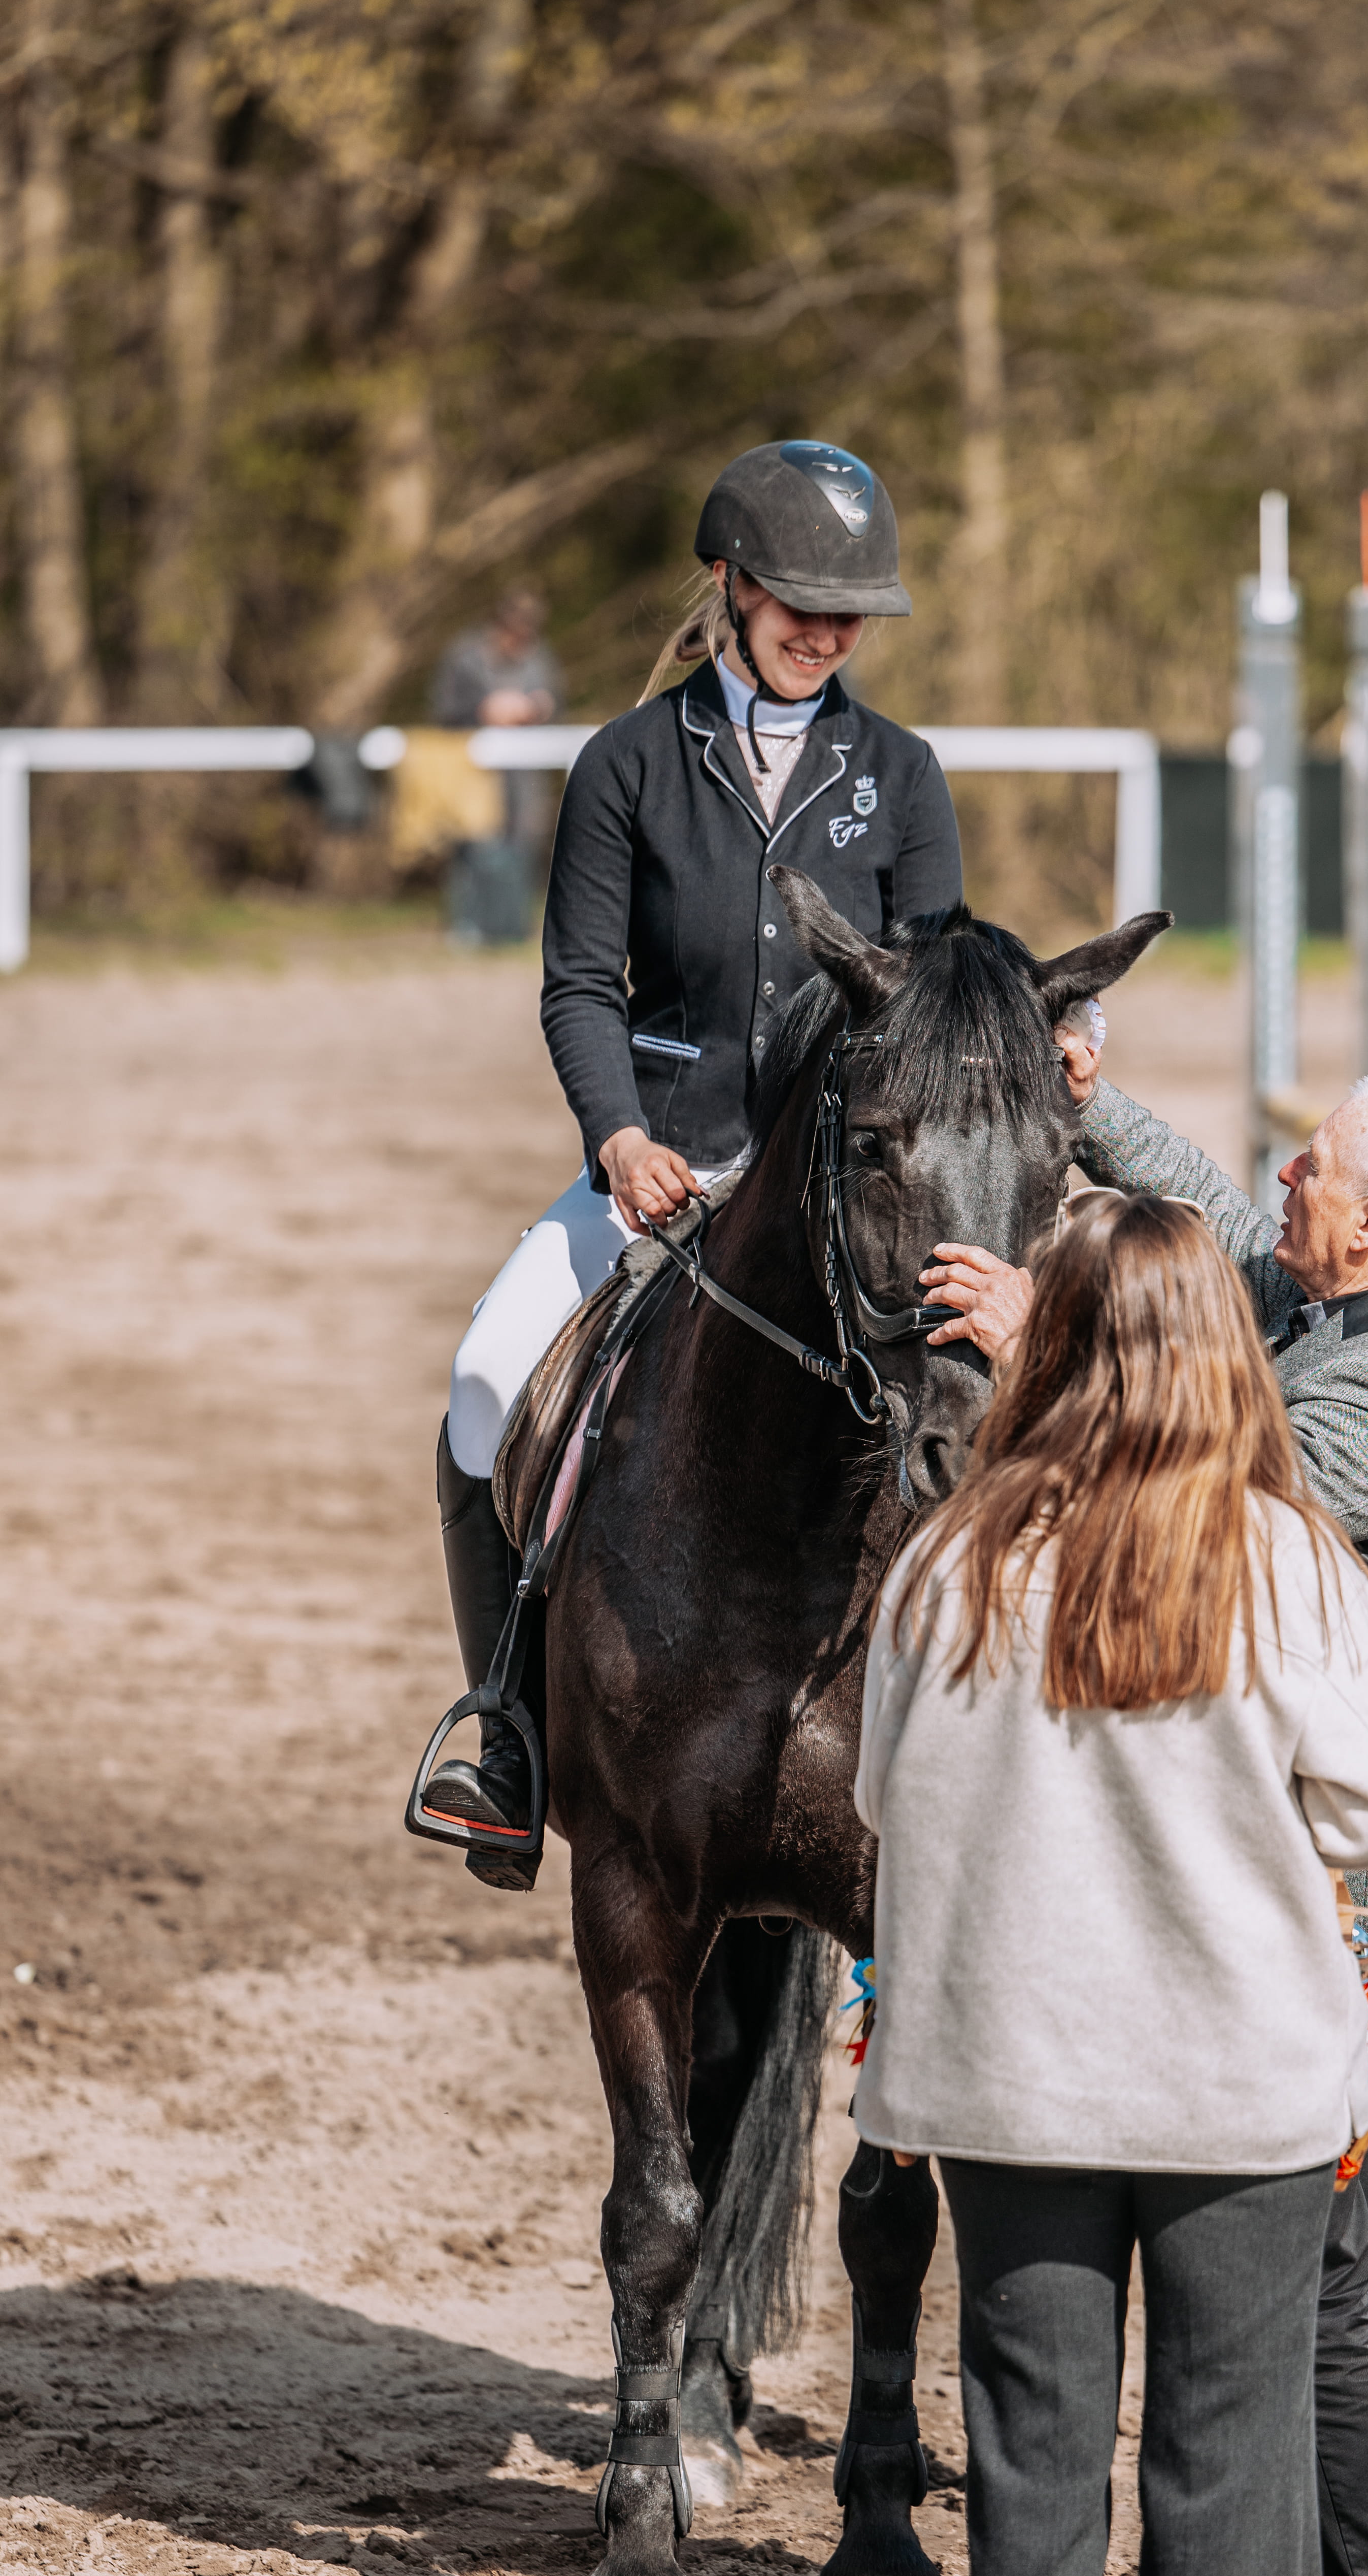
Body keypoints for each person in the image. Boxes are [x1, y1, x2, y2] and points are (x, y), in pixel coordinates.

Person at [853, 1193, 1368, 2576]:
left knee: (1031, 2481)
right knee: (1228, 2471)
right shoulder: (1282, 1561)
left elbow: (883, 1797)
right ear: (1221, 1352)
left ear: (1053, 1345)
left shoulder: (947, 1561)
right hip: (1233, 2084)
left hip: (1009, 2085)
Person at [923, 1063, 1368, 2576]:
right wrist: (1099, 1100)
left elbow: (1193, 1484)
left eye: (1312, 1168)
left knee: (1316, 2283)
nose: (1283, 1180)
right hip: (1339, 1864)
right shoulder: (1362, 1296)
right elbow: (1229, 1227)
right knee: (1363, 2266)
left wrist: (1055, 1338)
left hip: (1341, 1894)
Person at [420, 442, 961, 1878]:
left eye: (853, 613)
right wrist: (618, 1138)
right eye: (802, 601)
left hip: (847, 1194)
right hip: (659, 1175)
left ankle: (975, 1765)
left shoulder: (899, 776)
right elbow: (578, 986)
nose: (829, 633)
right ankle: (509, 1737)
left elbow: (939, 983)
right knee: (483, 1393)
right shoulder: (629, 765)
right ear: (732, 584)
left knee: (978, 1416)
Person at [429, 587, 565, 945]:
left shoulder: (540, 658)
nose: (520, 638)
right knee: (473, 845)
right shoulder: (465, 657)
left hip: (523, 775)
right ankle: (469, 927)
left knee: (522, 844)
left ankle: (513, 927)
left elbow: (555, 705)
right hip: (472, 773)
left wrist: (533, 709)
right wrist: (483, 710)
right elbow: (442, 711)